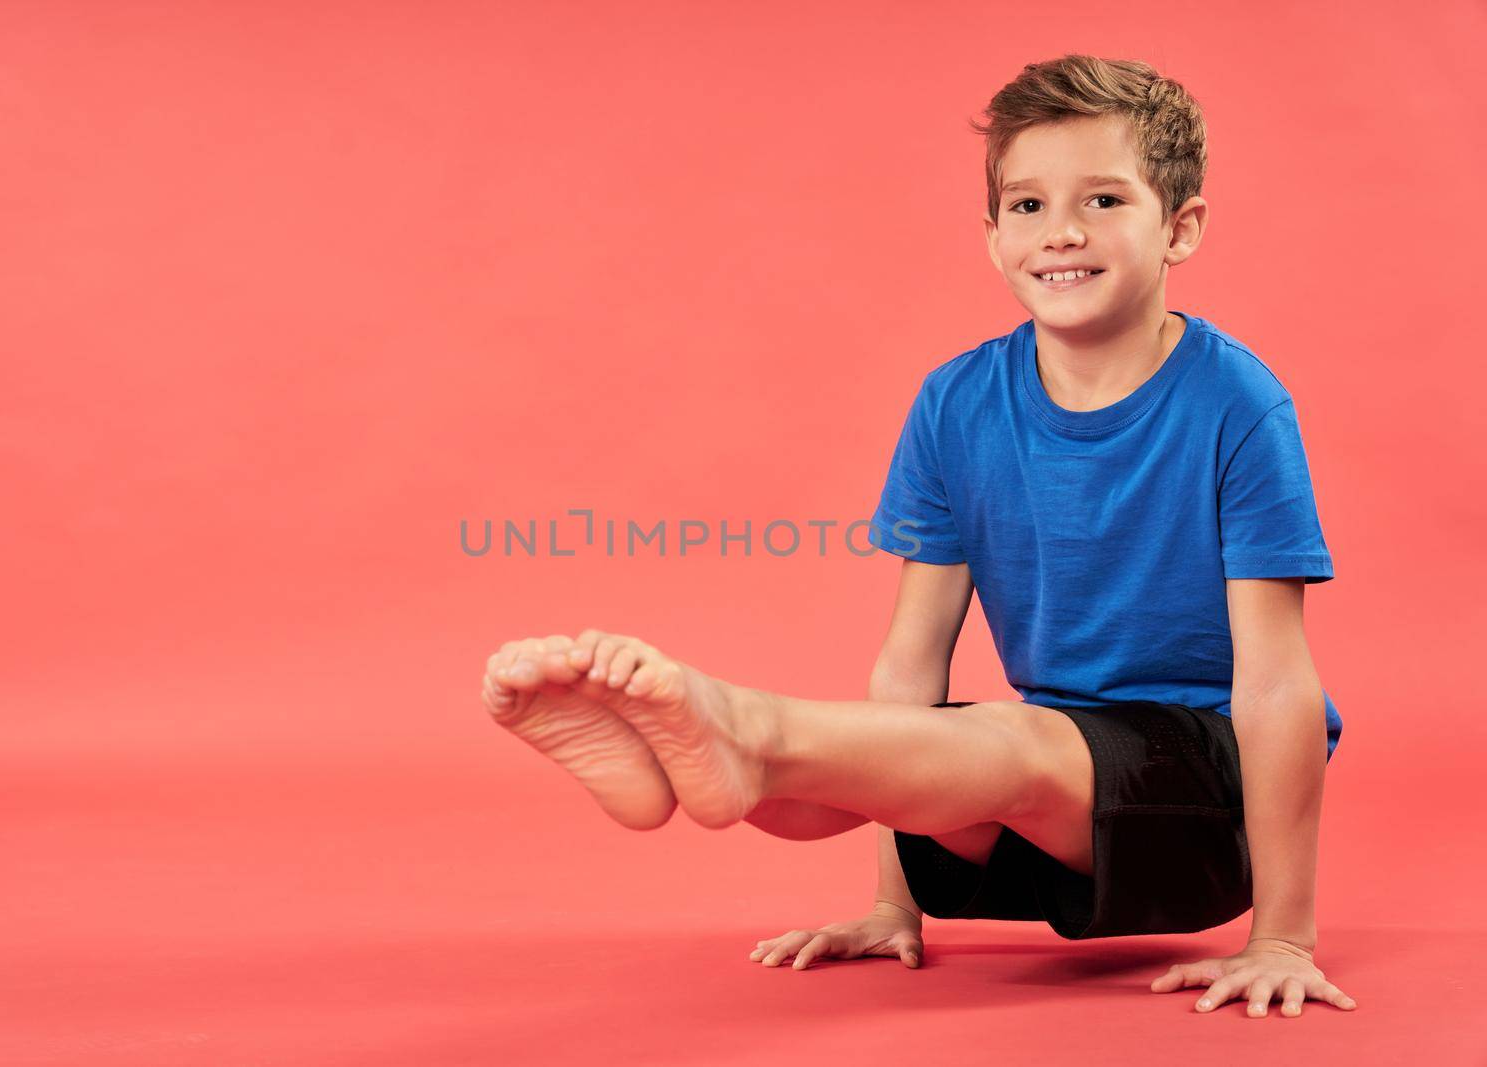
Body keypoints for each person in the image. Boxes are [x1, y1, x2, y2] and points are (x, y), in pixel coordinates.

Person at [479, 53, 1357, 1019]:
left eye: (1104, 199)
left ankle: (743, 726)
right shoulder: (956, 401)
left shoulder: (1237, 403)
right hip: (1055, 812)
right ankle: (695, 767)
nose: (1061, 230)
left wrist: (1283, 932)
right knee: (909, 753)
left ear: (1180, 227)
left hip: (1210, 805)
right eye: (1026, 206)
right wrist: (892, 903)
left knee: (1004, 739)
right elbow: (909, 664)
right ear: (991, 235)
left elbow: (1277, 683)